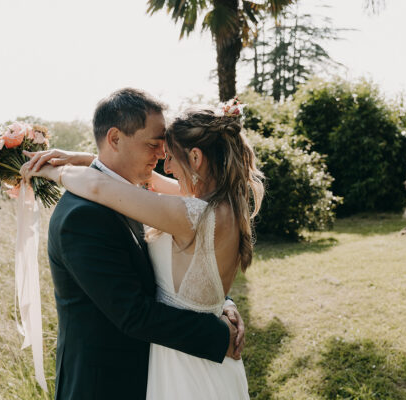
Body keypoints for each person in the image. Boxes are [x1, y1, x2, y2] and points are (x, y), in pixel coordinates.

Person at [22, 88, 248, 400]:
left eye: (167, 149)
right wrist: (218, 333)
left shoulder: (147, 201)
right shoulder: (83, 216)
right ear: (115, 139)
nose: (162, 158)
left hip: (169, 372)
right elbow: (133, 314)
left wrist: (221, 303)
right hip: (105, 384)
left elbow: (185, 266)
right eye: (155, 145)